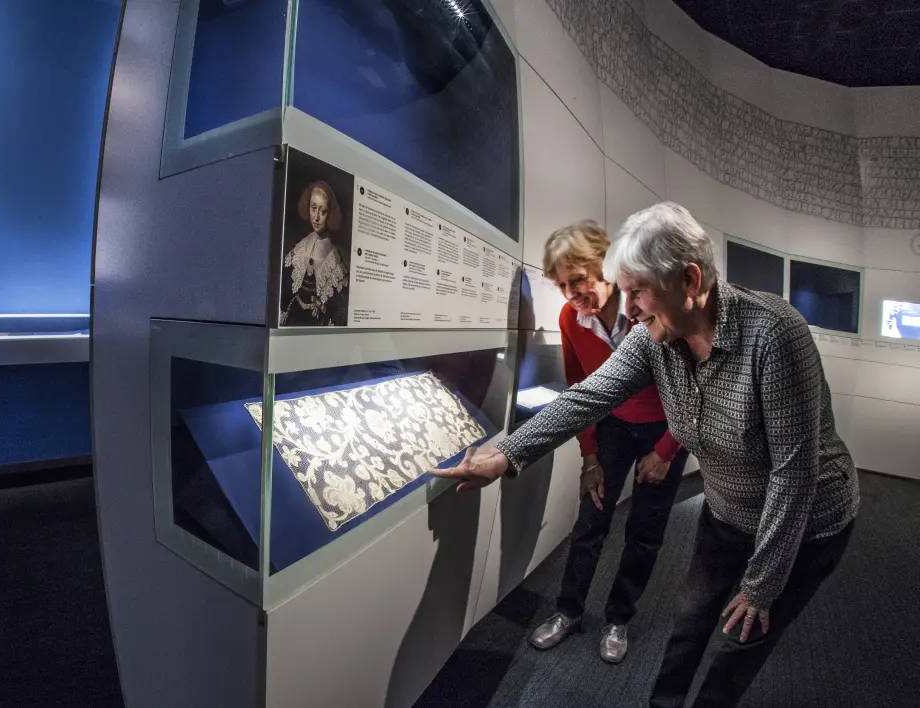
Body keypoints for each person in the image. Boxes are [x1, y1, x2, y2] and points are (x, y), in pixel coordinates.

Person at [434, 202, 859, 708]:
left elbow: (794, 473)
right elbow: (586, 397)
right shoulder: (653, 338)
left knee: (740, 642)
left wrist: (763, 583)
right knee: (691, 622)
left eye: (638, 292)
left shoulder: (775, 334)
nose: (629, 308)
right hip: (726, 513)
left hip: (805, 523)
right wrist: (505, 456)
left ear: (690, 280)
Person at [528, 220, 689, 664]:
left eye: (577, 280)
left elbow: (690, 389)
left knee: (644, 531)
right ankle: (569, 611)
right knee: (590, 522)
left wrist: (666, 451)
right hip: (613, 427)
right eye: (562, 286)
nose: (571, 295)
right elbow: (580, 387)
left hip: (665, 428)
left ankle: (619, 617)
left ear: (602, 265)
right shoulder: (570, 318)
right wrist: (590, 455)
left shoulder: (648, 306)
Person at [280, 181, 349, 327]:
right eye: (313, 208)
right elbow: (285, 289)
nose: (316, 217)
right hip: (293, 320)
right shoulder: (300, 247)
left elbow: (339, 310)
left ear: (330, 214)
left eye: (322, 212)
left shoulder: (334, 260)